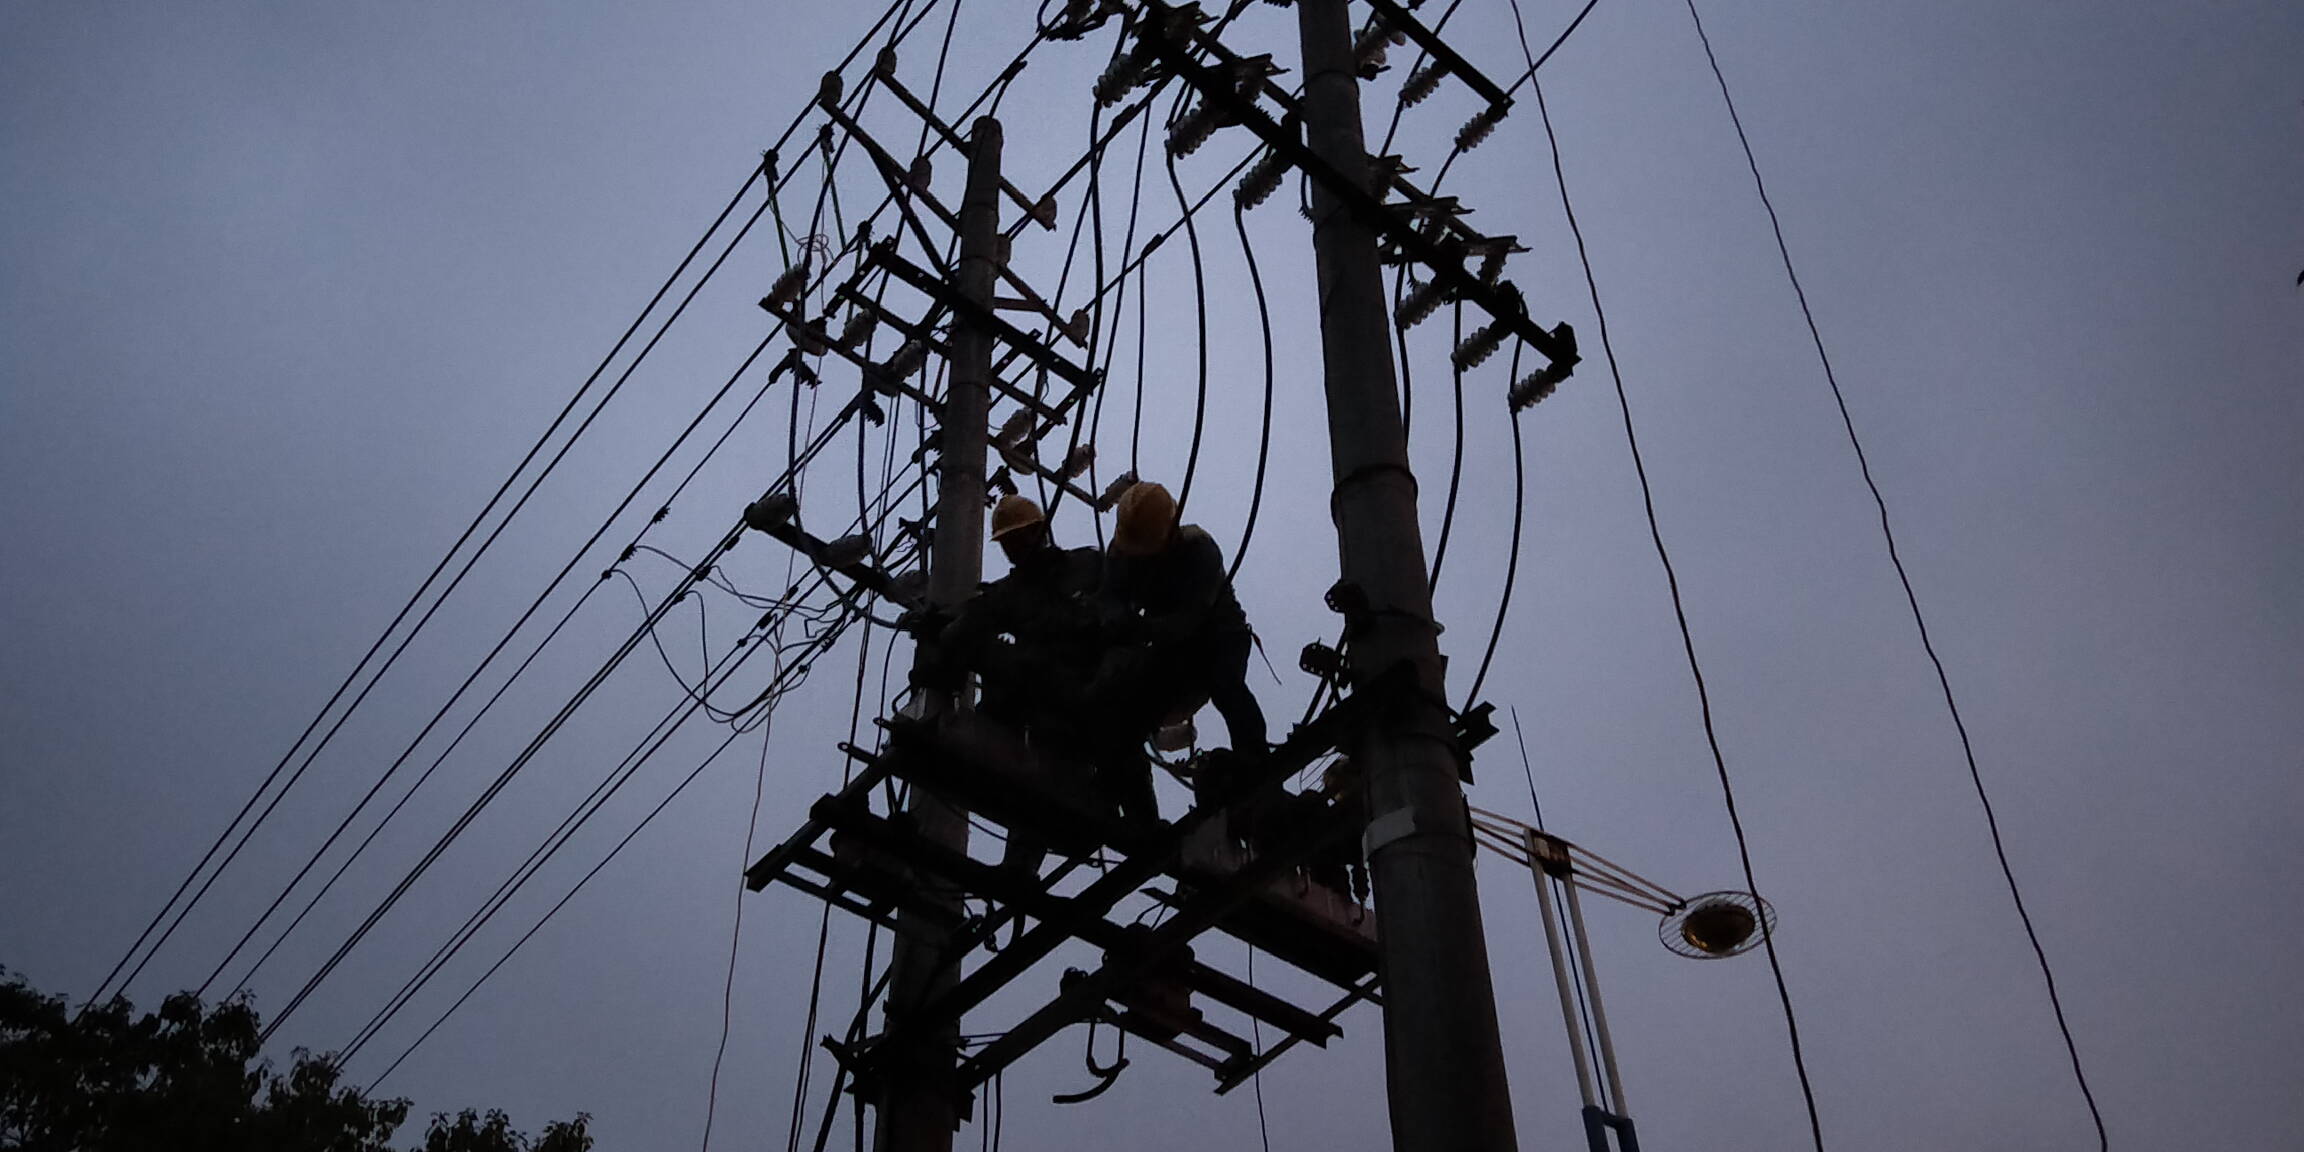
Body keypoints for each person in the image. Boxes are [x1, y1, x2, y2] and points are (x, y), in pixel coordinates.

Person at [1095, 481, 1268, 758]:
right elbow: (1109, 596)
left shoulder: (1199, 549)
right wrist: (1115, 620)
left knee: (1226, 686)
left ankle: (1256, 761)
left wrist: (1139, 628)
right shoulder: (1123, 551)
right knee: (1134, 712)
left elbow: (1191, 617)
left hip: (1219, 636)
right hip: (1169, 646)